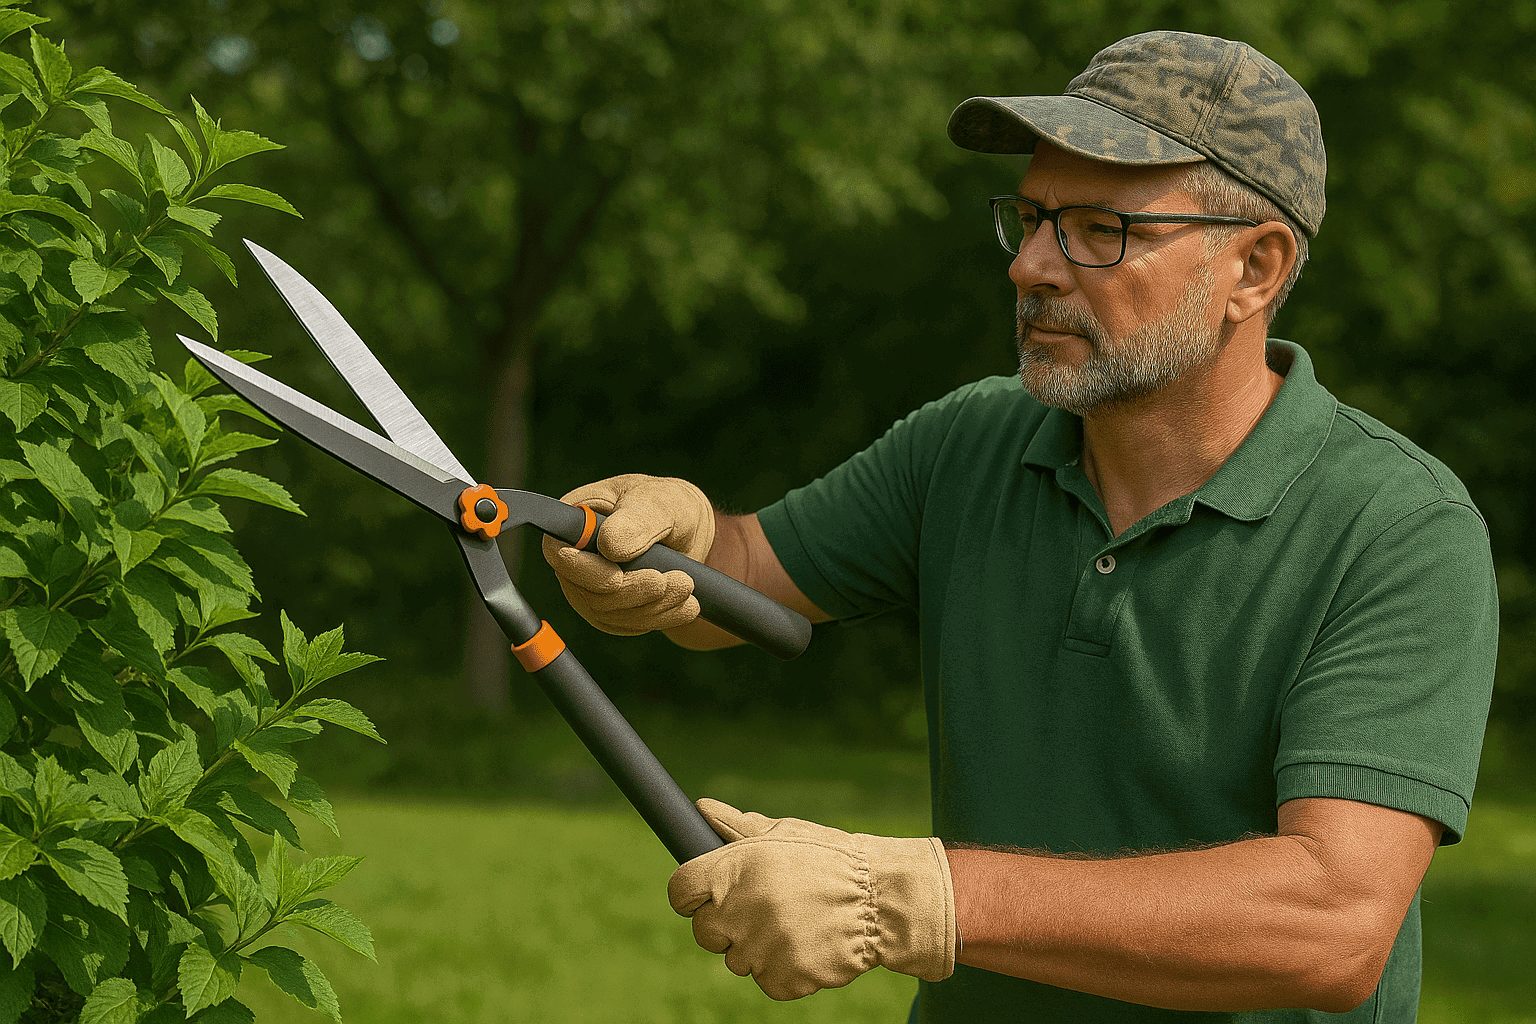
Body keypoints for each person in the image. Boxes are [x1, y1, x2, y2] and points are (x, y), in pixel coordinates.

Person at [541, 29, 1498, 1023]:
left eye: (1097, 229)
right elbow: (742, 580)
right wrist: (670, 540)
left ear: (1254, 268)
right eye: (1032, 218)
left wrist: (913, 900)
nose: (1032, 266)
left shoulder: (1397, 529)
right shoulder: (974, 443)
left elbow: (1332, 923)